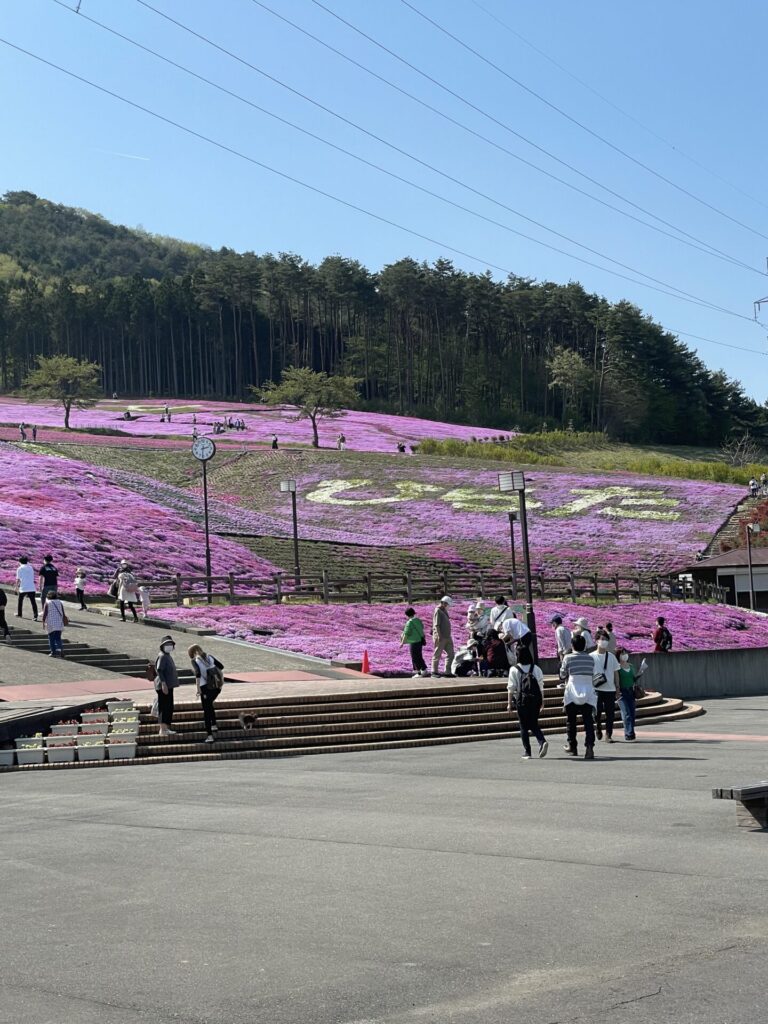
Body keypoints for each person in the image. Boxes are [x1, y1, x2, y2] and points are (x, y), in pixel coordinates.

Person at [560, 633, 597, 759]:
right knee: (588, 721)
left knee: (571, 721)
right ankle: (589, 747)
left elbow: (562, 674)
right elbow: (593, 673)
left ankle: (572, 746)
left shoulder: (568, 658)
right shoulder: (590, 658)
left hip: (572, 690)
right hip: (588, 690)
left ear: (572, 645)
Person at [508, 646, 548, 760]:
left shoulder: (514, 669)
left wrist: (509, 703)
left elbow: (511, 688)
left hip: (522, 701)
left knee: (523, 725)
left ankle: (527, 751)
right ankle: (541, 741)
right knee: (533, 723)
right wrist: (542, 701)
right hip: (535, 700)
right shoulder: (536, 668)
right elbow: (541, 686)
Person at [189, 644, 224, 743]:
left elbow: (198, 674)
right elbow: (221, 666)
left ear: (192, 653)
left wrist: (198, 689)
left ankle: (210, 736)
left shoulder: (195, 661)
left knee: (206, 711)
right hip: (217, 687)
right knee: (210, 705)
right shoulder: (210, 657)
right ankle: (214, 725)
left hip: (205, 688)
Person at [591, 634, 620, 743]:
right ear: (596, 641)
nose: (604, 642)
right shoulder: (591, 656)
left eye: (606, 640)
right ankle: (598, 726)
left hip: (610, 690)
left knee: (610, 714)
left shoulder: (611, 656)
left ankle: (608, 734)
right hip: (596, 689)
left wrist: (617, 687)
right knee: (597, 713)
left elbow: (616, 672)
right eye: (602, 639)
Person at [154, 635, 179, 737]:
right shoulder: (163, 656)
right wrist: (164, 684)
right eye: (167, 644)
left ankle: (166, 728)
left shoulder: (167, 655)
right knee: (164, 707)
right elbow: (160, 670)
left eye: (171, 644)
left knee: (168, 706)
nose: (169, 646)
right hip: (164, 686)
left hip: (169, 685)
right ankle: (163, 729)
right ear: (162, 646)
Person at [616, 648, 638, 741]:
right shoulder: (617, 667)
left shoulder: (631, 666)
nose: (625, 655)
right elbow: (616, 680)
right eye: (622, 654)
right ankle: (629, 733)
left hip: (631, 691)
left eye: (625, 653)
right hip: (622, 692)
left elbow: (634, 678)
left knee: (632, 713)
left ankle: (630, 731)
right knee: (626, 713)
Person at [400, 607, 428, 677]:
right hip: (420, 641)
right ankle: (424, 670)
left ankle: (418, 673)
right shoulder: (418, 620)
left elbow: (406, 633)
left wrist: (402, 643)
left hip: (414, 642)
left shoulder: (409, 622)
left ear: (407, 615)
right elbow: (422, 627)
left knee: (415, 657)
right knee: (419, 656)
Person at [431, 596, 455, 677]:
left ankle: (447, 672)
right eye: (448, 604)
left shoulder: (444, 610)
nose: (449, 606)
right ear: (444, 603)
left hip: (447, 636)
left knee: (451, 654)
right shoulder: (438, 610)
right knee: (437, 653)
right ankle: (434, 672)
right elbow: (436, 625)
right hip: (441, 636)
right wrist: (438, 635)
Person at [41, 590, 67, 658]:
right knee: (58, 638)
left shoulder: (48, 603)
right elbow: (63, 612)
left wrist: (43, 622)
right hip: (59, 622)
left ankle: (53, 652)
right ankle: (61, 651)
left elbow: (45, 614)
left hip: (51, 623)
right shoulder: (60, 602)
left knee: (51, 638)